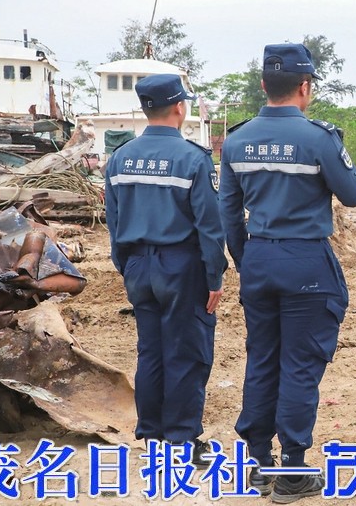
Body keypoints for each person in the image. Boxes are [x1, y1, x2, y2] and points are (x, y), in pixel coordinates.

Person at [219, 43, 356, 502]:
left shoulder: (237, 140)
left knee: (262, 359)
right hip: (306, 262)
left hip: (259, 260)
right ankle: (293, 471)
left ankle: (257, 464)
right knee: (300, 366)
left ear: (264, 85)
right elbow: (354, 194)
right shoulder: (320, 138)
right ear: (305, 88)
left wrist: (247, 259)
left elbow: (228, 211)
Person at [104, 73, 228, 464]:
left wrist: (126, 265)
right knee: (186, 351)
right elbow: (210, 226)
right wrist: (214, 276)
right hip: (182, 266)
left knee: (151, 351)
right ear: (179, 107)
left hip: (138, 264)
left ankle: (153, 435)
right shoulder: (193, 158)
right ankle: (182, 439)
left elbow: (114, 219)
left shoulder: (120, 158)